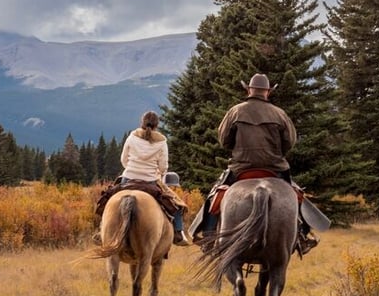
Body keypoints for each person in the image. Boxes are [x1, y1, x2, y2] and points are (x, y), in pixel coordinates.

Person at [191, 73, 318, 255]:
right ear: (267, 92)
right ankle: (303, 237)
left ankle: (209, 238)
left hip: (241, 168)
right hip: (274, 168)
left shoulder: (235, 111)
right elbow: (289, 142)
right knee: (296, 197)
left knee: (215, 197)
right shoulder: (279, 114)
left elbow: (224, 141)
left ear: (249, 90)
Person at [95, 110, 190, 246]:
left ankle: (102, 231)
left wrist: (132, 167)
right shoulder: (162, 141)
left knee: (107, 200)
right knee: (177, 205)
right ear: (157, 125)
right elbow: (163, 167)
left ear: (142, 123)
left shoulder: (132, 136)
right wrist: (158, 172)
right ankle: (178, 233)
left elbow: (123, 159)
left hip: (128, 177)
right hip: (150, 181)